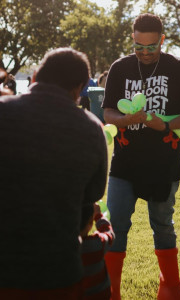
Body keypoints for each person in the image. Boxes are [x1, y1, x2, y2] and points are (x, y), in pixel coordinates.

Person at [102, 13, 180, 300]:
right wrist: (126, 120)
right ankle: (111, 292)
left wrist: (164, 124)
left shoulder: (178, 68)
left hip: (164, 165)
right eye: (139, 47)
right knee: (116, 226)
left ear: (162, 40)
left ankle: (171, 288)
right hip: (124, 165)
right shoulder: (120, 67)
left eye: (152, 47)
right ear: (133, 40)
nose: (145, 53)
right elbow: (108, 112)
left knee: (163, 225)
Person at [0, 47, 108, 300]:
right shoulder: (92, 130)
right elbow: (90, 202)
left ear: (35, 75)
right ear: (79, 88)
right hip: (57, 276)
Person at [80, 202, 115, 300]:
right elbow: (109, 234)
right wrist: (99, 216)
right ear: (90, 224)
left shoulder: (61, 247)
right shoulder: (97, 244)